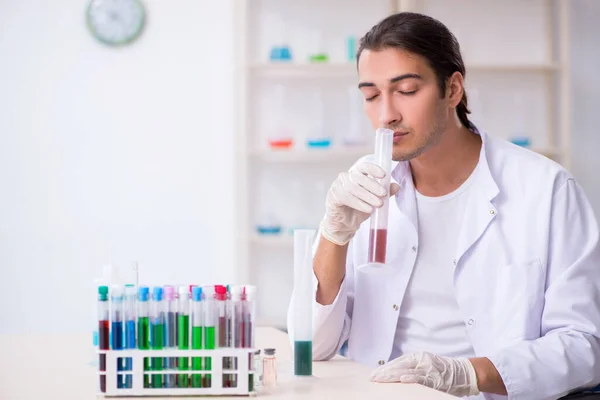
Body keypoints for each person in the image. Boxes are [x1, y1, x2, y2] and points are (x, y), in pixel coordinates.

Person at [286, 11, 600, 400]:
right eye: (370, 95)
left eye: (406, 90)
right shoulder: (363, 183)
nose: (386, 115)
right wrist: (335, 235)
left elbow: (584, 345)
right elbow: (313, 348)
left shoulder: (545, 189)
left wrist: (469, 374)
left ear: (452, 90)